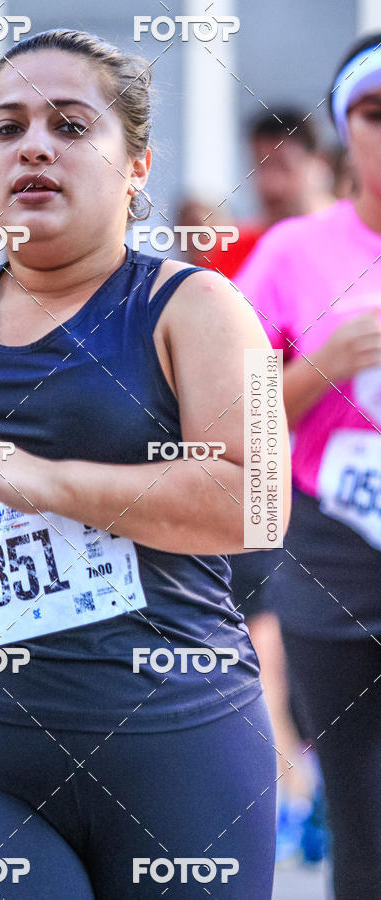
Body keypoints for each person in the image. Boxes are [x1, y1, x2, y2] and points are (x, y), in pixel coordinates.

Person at [0, 29, 291, 898]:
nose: (34, 146)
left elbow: (258, 503)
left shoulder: (207, 306)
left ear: (136, 166)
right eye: (8, 128)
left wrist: (46, 481)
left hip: (179, 747)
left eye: (71, 126)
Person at [235, 33, 381, 899]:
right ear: (342, 132)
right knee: (362, 810)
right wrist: (319, 367)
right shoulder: (292, 254)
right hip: (332, 545)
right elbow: (226, 419)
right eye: (374, 113)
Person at [204, 108, 334, 279]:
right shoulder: (231, 251)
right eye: (261, 166)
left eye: (284, 166)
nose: (271, 184)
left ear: (319, 165)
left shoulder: (348, 240)